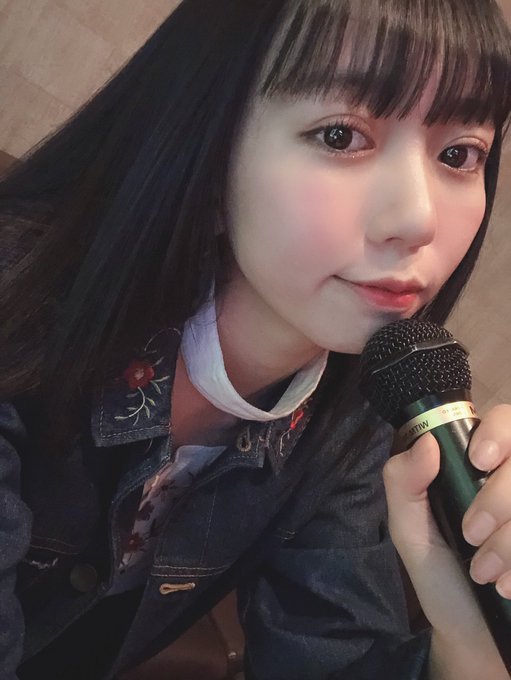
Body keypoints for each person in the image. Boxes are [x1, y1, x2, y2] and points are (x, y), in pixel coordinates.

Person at [1, 0, 511, 678]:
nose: (418, 218)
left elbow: (330, 655)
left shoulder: (343, 426)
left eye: (459, 154)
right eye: (341, 136)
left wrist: (468, 643)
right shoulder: (20, 302)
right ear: (208, 144)